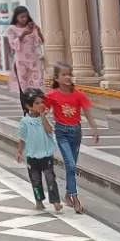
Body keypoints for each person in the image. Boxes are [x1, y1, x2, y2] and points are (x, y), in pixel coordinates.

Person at [43, 62, 99, 212]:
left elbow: (87, 112)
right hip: (62, 132)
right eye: (64, 74)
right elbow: (44, 110)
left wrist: (94, 127)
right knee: (70, 165)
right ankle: (75, 198)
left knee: (72, 164)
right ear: (56, 77)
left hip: (76, 132)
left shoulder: (78, 95)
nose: (68, 77)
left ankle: (68, 194)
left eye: (69, 74)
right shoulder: (52, 95)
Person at [16, 88, 62, 212]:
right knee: (35, 180)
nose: (41, 105)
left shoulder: (44, 119)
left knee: (50, 178)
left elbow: (49, 130)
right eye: (37, 103)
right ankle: (39, 201)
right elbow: (22, 138)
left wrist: (43, 117)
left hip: (46, 154)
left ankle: (55, 201)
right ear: (28, 106)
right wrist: (19, 152)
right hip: (32, 156)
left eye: (42, 102)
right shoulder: (25, 121)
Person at [5, 6, 45, 98]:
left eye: (26, 17)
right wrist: (23, 34)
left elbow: (40, 42)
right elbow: (13, 45)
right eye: (21, 17)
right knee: (24, 87)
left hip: (34, 60)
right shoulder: (12, 29)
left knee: (38, 84)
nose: (24, 19)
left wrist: (38, 31)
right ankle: (27, 109)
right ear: (16, 17)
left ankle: (37, 107)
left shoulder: (31, 28)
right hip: (21, 61)